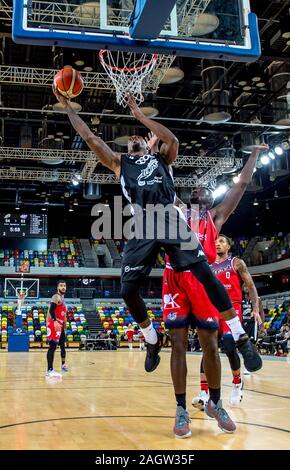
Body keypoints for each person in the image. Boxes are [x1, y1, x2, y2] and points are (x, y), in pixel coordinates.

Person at [54, 87, 259, 378]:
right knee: (127, 290)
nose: (135, 137)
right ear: (126, 149)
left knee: (204, 272)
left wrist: (140, 115)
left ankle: (239, 335)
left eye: (139, 135)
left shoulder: (162, 159)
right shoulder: (118, 163)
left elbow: (172, 139)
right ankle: (151, 337)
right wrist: (68, 107)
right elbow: (90, 137)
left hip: (169, 217)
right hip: (143, 223)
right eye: (131, 139)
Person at [161, 143, 267, 437]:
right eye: (195, 188)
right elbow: (163, 178)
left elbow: (242, 183)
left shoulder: (216, 217)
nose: (200, 189)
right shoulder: (178, 209)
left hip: (203, 280)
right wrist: (158, 151)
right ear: (190, 196)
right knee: (178, 343)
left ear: (211, 199)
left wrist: (255, 154)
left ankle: (216, 403)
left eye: (206, 188)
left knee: (210, 344)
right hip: (175, 277)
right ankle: (181, 408)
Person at [192, 235, 262, 410]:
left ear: (229, 246)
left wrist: (255, 308)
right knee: (208, 348)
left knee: (230, 346)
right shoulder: (207, 266)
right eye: (215, 241)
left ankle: (237, 384)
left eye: (222, 241)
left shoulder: (236, 262)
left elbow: (251, 286)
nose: (217, 243)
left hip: (232, 308)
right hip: (211, 308)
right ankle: (203, 393)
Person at [46, 280, 68, 377]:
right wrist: (54, 321)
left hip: (60, 324)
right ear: (57, 287)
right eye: (61, 285)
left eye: (64, 286)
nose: (63, 287)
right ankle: (49, 370)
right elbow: (51, 310)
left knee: (55, 347)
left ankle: (52, 369)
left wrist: (64, 327)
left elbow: (64, 316)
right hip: (54, 323)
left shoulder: (62, 299)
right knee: (52, 347)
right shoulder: (56, 296)